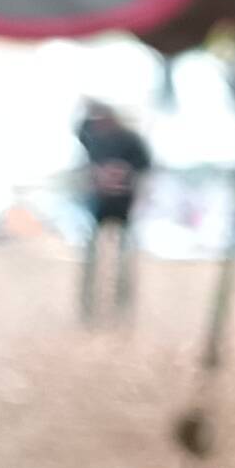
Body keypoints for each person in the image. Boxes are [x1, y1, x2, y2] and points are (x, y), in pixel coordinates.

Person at [74, 100, 153, 326]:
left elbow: (144, 175)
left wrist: (137, 197)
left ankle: (121, 311)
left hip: (124, 208)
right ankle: (88, 310)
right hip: (97, 208)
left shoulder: (132, 142)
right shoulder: (92, 138)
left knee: (123, 261)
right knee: (92, 260)